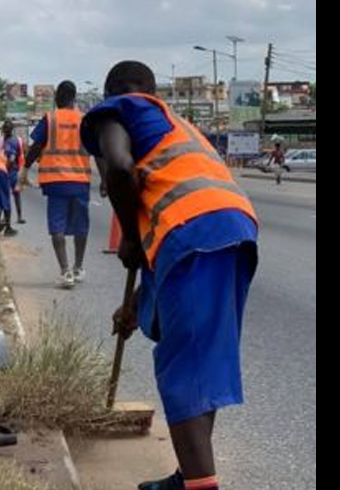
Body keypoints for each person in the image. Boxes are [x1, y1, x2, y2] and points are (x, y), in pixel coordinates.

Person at [81, 61, 260, 490]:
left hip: (195, 233)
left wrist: (127, 236)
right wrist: (133, 305)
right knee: (201, 360)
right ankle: (190, 477)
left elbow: (121, 169)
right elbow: (169, 248)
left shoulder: (116, 111)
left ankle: (200, 485)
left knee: (183, 369)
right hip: (233, 230)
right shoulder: (177, 128)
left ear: (113, 93)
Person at [21, 81, 92, 289]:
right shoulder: (84, 120)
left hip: (55, 182)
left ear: (57, 97)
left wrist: (25, 169)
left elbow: (36, 147)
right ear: (74, 97)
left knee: (57, 225)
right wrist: (105, 179)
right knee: (81, 226)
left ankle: (65, 271)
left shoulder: (50, 119)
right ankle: (78, 267)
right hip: (80, 181)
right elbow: (97, 151)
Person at [0, 120, 27, 224]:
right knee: (15, 195)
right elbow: (21, 154)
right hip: (13, 170)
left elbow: (13, 157)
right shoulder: (17, 141)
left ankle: (5, 218)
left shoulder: (1, 141)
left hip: (7, 170)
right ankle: (18, 217)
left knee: (6, 195)